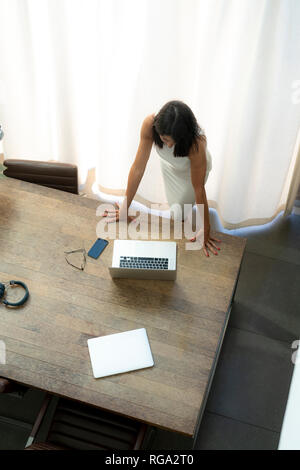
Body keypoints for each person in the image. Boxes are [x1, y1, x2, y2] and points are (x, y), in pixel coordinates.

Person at [103, 100, 221, 257]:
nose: (170, 146)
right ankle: (180, 223)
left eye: (174, 141)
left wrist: (206, 228)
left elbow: (198, 188)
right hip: (170, 166)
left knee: (178, 212)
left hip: (191, 171)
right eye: (165, 140)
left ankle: (181, 238)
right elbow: (138, 168)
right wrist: (125, 208)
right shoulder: (149, 125)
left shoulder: (197, 143)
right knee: (175, 208)